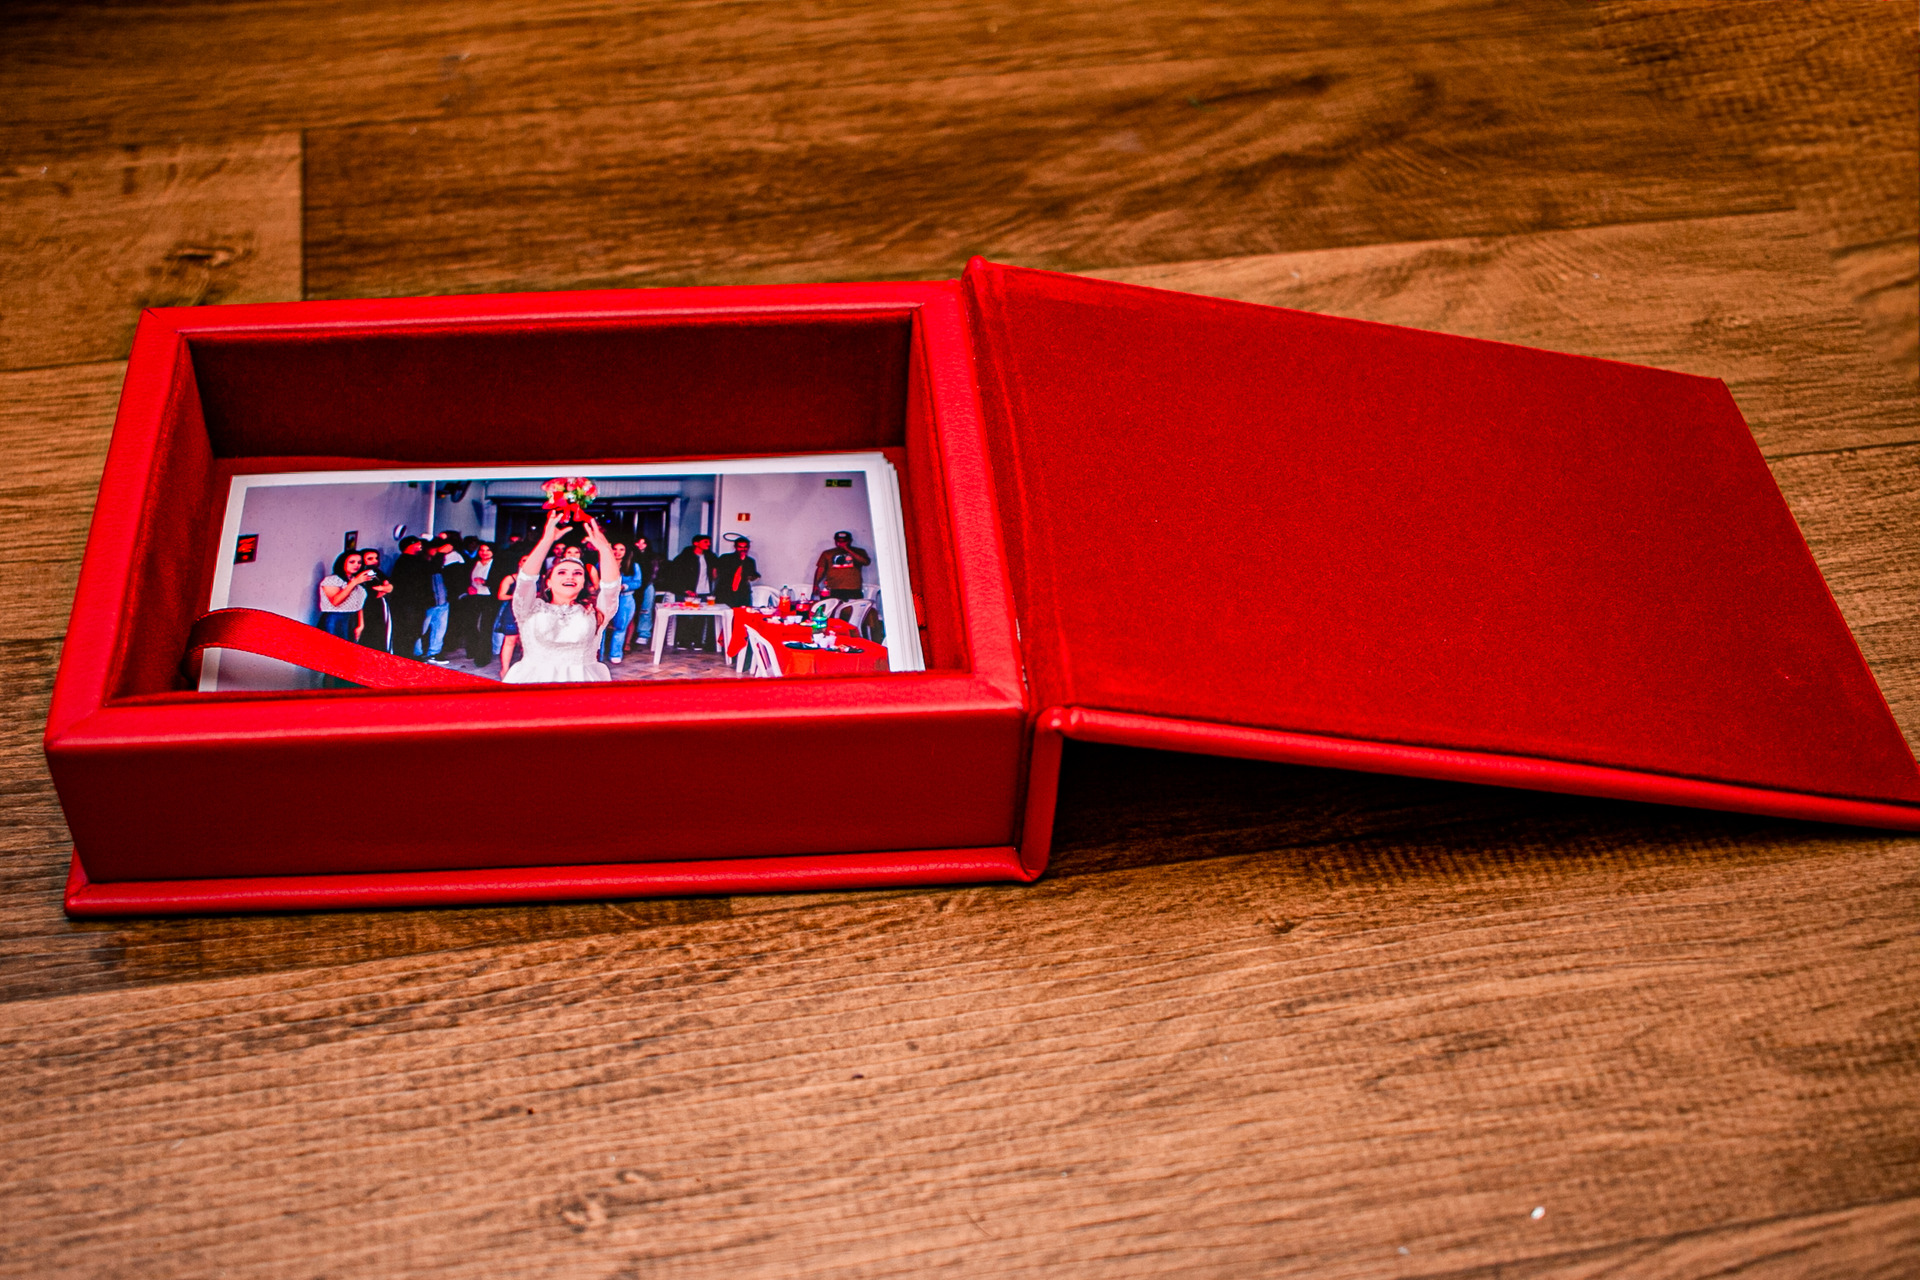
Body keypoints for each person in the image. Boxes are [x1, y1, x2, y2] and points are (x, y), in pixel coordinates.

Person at [503, 510, 623, 684]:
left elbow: (611, 587)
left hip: (583, 683)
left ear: (583, 583)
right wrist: (546, 541)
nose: (570, 576)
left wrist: (605, 549)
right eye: (562, 572)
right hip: (533, 682)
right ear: (548, 582)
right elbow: (526, 579)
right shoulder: (529, 609)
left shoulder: (594, 612)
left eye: (577, 573)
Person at [657, 533, 722, 650]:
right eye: (705, 542)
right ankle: (683, 641)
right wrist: (685, 589)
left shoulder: (710, 557)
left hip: (705, 591)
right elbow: (675, 575)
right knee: (685, 615)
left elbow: (714, 573)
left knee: (701, 617)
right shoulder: (684, 557)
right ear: (696, 543)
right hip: (688, 592)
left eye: (709, 542)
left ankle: (697, 641)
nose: (708, 544)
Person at [448, 541, 498, 662]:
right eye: (482, 550)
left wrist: (485, 582)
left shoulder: (497, 564)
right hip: (474, 597)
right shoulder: (473, 563)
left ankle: (483, 657)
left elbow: (499, 581)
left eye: (488, 550)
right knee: (470, 624)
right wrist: (468, 587)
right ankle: (472, 650)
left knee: (485, 627)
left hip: (489, 598)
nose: (484, 553)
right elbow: (464, 578)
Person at [387, 537, 435, 658]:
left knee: (413, 630)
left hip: (414, 603)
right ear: (409, 545)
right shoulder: (406, 561)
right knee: (407, 631)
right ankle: (404, 657)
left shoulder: (413, 560)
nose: (420, 545)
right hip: (408, 604)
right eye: (417, 543)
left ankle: (407, 655)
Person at [317, 551, 372, 643]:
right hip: (336, 619)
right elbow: (336, 601)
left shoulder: (357, 581)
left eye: (359, 562)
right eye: (352, 562)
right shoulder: (332, 580)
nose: (356, 565)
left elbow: (359, 604)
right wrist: (354, 583)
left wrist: (361, 624)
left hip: (352, 619)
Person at [602, 541, 642, 664]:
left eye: (621, 549)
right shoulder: (603, 564)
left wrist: (624, 586)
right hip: (605, 598)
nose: (618, 552)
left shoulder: (633, 566)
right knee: (601, 627)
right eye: (615, 548)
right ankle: (599, 655)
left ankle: (615, 654)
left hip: (625, 598)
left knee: (620, 627)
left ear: (626, 552)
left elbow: (637, 582)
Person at [493, 553, 529, 676]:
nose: (527, 563)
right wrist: (516, 596)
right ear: (519, 562)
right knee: (510, 640)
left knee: (527, 642)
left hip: (531, 612)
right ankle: (504, 670)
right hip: (513, 611)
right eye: (524, 560)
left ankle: (526, 670)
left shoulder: (539, 578)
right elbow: (501, 596)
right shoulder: (511, 578)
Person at [813, 530, 871, 601]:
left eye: (844, 541)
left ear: (850, 541)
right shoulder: (827, 553)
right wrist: (816, 584)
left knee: (853, 607)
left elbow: (866, 562)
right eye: (839, 541)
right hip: (833, 588)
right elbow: (821, 569)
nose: (841, 543)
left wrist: (848, 550)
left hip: (853, 589)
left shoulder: (859, 551)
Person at [356, 547, 394, 653]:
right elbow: (374, 592)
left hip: (379, 605)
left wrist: (384, 588)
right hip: (368, 606)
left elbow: (389, 585)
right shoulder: (362, 574)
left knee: (381, 632)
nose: (374, 561)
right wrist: (383, 588)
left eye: (376, 558)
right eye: (370, 558)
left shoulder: (373, 572)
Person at [713, 535, 759, 607]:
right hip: (725, 591)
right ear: (735, 547)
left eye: (745, 547)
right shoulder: (726, 557)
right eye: (740, 547)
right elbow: (718, 571)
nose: (743, 549)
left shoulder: (750, 561)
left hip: (742, 593)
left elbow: (751, 575)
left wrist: (752, 577)